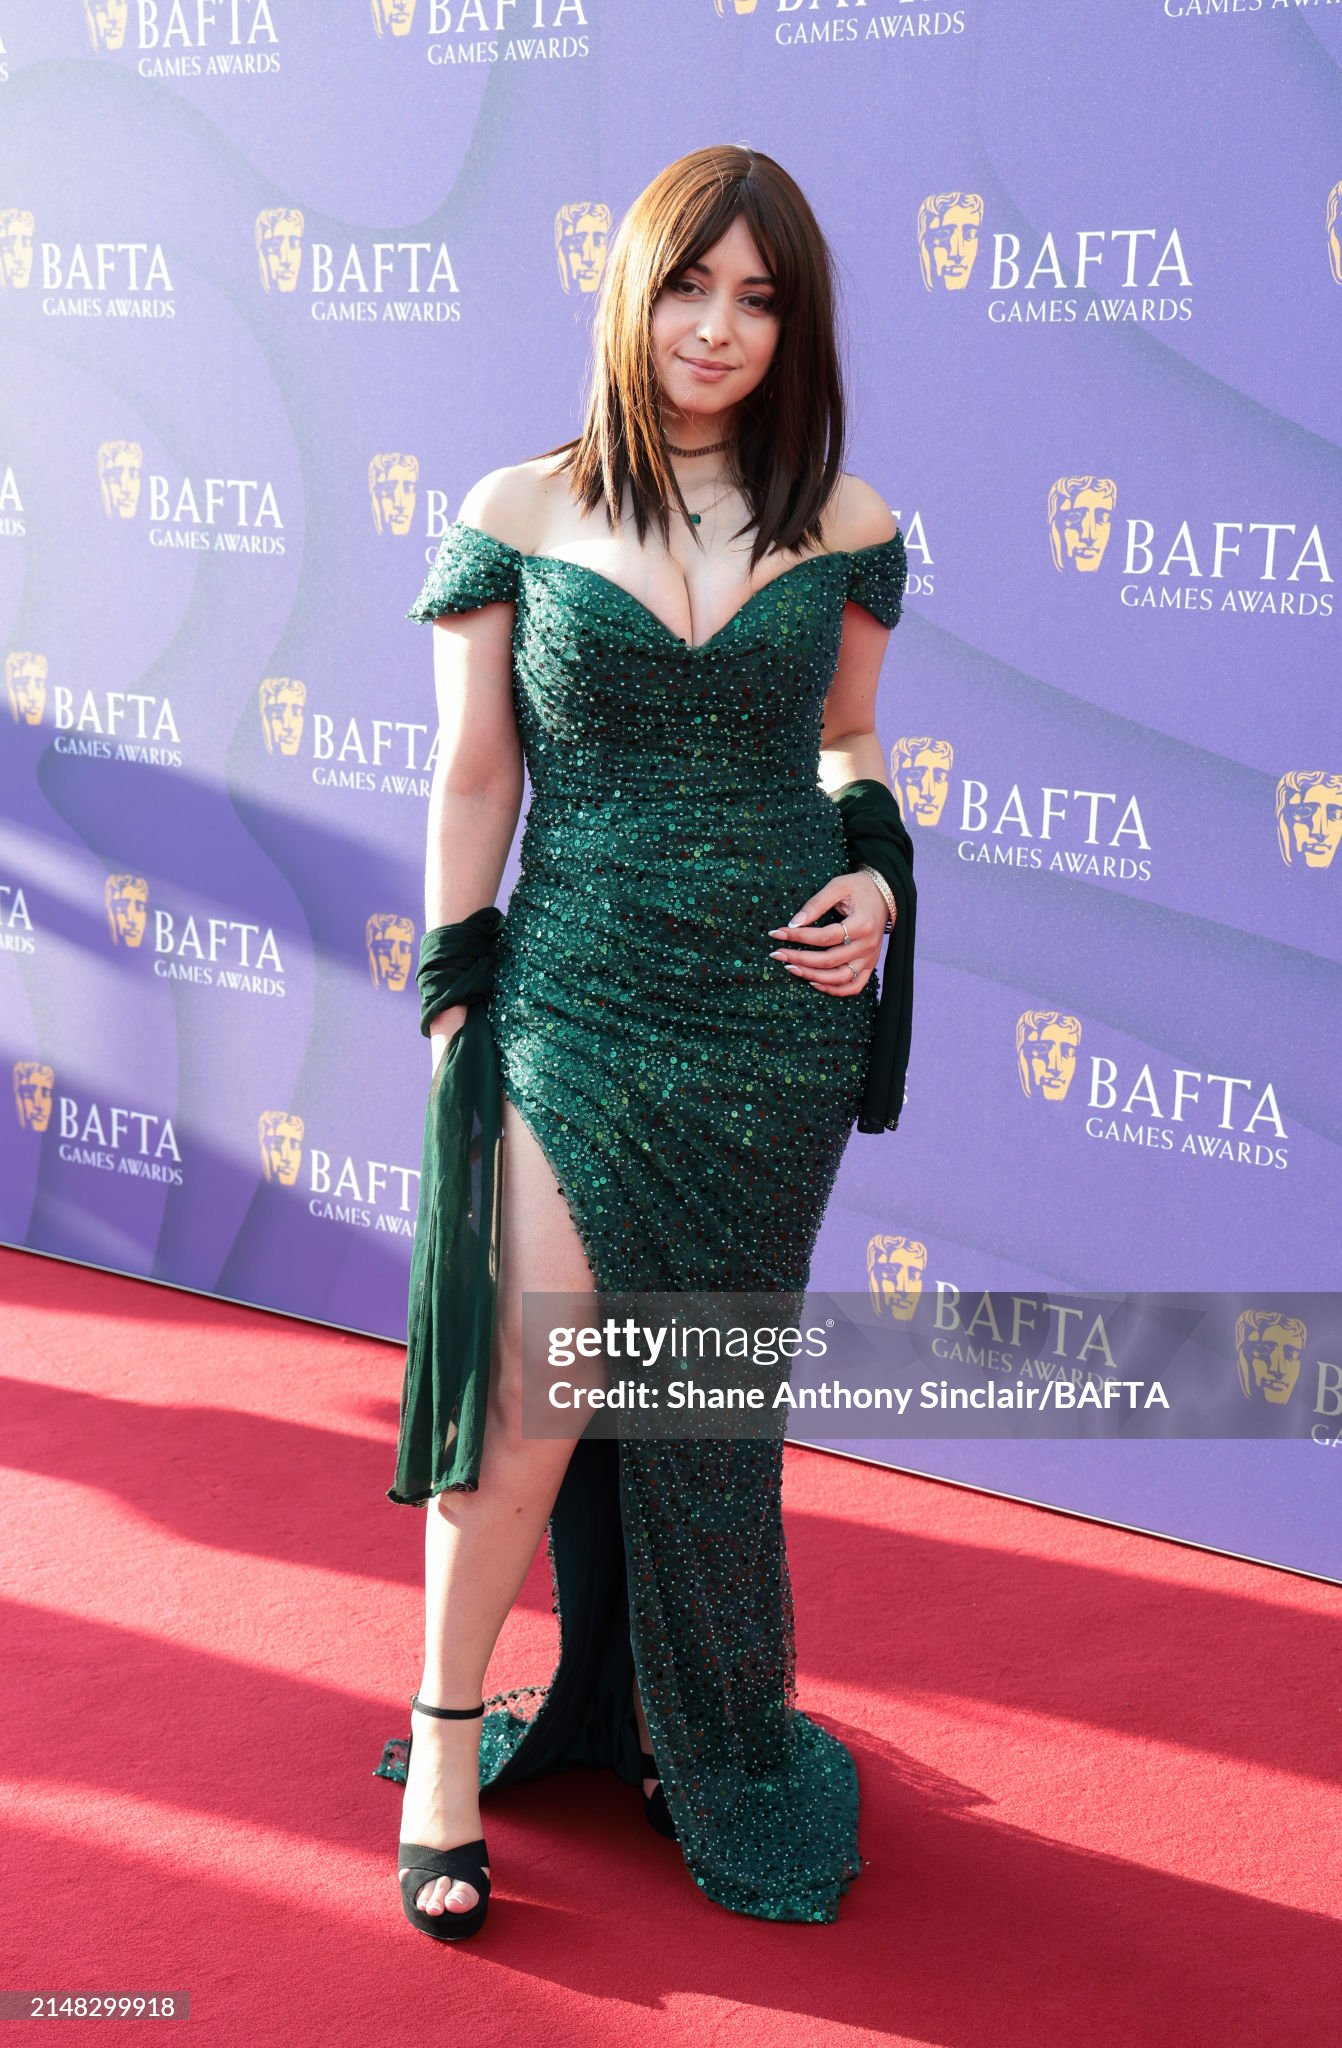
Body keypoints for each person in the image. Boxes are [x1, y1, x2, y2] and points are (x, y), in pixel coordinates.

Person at [379, 143, 912, 1940]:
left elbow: (850, 740)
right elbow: (476, 774)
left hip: (774, 1022)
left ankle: (694, 1722)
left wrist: (878, 876)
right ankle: (443, 1744)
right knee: (531, 1394)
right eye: (690, 284)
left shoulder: (844, 522)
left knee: (701, 1401)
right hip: (576, 999)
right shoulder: (519, 509)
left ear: (794, 325)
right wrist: (454, 996)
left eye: (758, 298)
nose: (717, 327)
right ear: (632, 291)